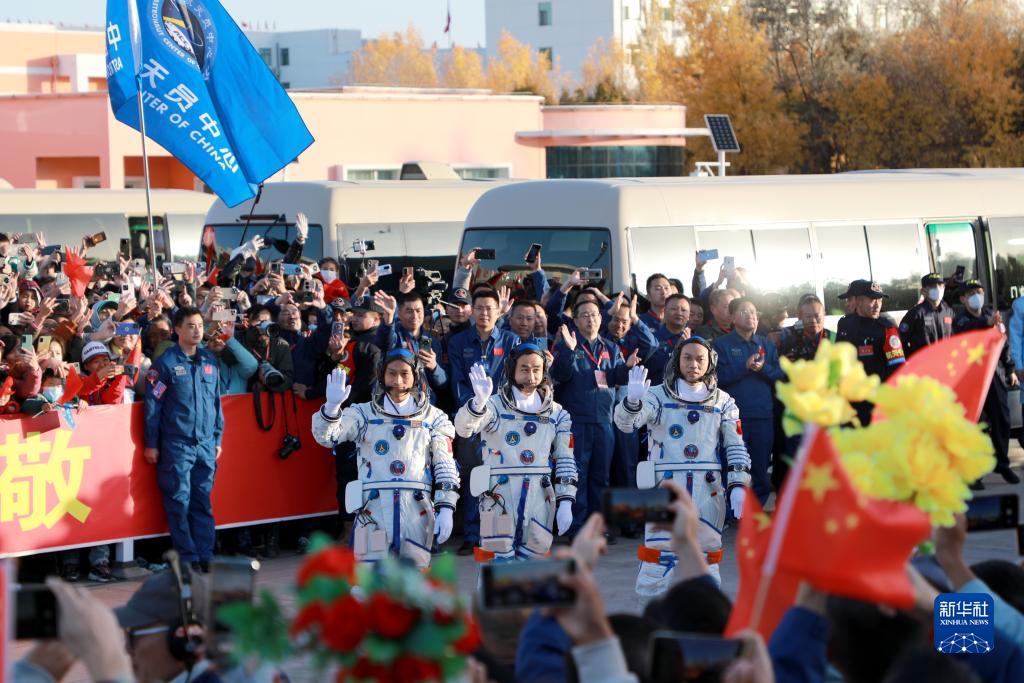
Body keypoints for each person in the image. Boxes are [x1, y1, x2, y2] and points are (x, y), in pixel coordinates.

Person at [614, 337, 750, 594]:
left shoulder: (723, 401)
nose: (693, 364)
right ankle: (652, 613)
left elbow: (736, 445)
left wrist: (738, 484)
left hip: (707, 489)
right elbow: (627, 425)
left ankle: (706, 614)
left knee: (706, 557)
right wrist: (632, 402)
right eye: (687, 358)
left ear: (710, 363)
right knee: (657, 559)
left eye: (700, 359)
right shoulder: (656, 395)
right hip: (665, 487)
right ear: (677, 360)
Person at [311, 349, 460, 567]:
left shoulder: (434, 418)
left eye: (404, 374)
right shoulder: (363, 414)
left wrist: (446, 506)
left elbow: (445, 464)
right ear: (382, 375)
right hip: (373, 511)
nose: (398, 381)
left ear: (416, 376)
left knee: (414, 579)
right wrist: (332, 408)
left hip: (416, 511)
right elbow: (327, 437)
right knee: (368, 578)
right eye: (392, 373)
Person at [454, 344, 578, 560]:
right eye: (524, 368)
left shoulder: (557, 413)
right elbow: (463, 429)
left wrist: (566, 500)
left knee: (535, 566)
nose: (531, 375)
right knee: (496, 563)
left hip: (540, 499)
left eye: (536, 369)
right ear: (512, 369)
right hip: (498, 499)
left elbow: (565, 458)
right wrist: (478, 403)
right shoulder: (493, 406)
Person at [143, 307, 224, 572]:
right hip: (177, 445)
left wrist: (218, 437)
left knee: (203, 502)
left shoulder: (210, 361)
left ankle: (205, 556)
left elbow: (216, 403)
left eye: (200, 325)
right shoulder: (165, 364)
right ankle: (188, 558)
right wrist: (151, 443)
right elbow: (153, 406)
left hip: (205, 445)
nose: (197, 330)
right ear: (177, 329)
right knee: (179, 503)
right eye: (191, 325)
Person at [552, 299, 636, 536]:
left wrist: (628, 368)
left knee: (601, 476)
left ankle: (598, 527)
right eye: (585, 315)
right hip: (576, 421)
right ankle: (576, 528)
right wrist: (568, 352)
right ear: (576, 320)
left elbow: (616, 378)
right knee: (576, 475)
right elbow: (560, 375)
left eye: (595, 315)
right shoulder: (567, 344)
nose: (591, 319)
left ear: (601, 319)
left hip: (604, 420)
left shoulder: (611, 348)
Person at [447, 287, 520, 553]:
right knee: (473, 477)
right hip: (472, 418)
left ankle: (499, 531)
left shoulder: (511, 340)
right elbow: (457, 381)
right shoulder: (458, 342)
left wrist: (497, 409)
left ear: (499, 311)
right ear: (472, 311)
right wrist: (476, 407)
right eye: (479, 308)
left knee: (502, 478)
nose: (484, 313)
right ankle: (471, 534)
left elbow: (515, 380)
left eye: (490, 308)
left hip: (503, 421)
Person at [713, 298, 784, 504]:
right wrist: (744, 367)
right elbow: (716, 378)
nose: (751, 316)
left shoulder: (766, 345)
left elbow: (780, 375)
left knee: (760, 468)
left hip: (763, 415)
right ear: (732, 317)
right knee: (734, 467)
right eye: (744, 312)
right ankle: (733, 512)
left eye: (753, 312)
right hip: (733, 418)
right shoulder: (721, 345)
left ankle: (757, 511)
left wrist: (763, 369)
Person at [955, 280, 1019, 485]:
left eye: (980, 292)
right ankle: (974, 473)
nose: (977, 296)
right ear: (963, 299)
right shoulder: (961, 321)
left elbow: (1003, 344)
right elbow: (966, 333)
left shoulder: (991, 315)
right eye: (971, 293)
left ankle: (1002, 464)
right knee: (975, 426)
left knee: (1003, 420)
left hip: (994, 376)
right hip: (971, 379)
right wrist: (987, 322)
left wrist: (1010, 369)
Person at [835, 279, 905, 425]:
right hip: (849, 402)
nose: (877, 305)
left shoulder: (887, 328)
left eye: (880, 300)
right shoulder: (844, 324)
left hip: (876, 403)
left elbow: (897, 368)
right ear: (859, 301)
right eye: (872, 300)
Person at [899, 272, 954, 357]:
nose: (938, 289)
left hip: (946, 361)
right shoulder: (915, 313)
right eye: (933, 286)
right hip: (924, 363)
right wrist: (912, 358)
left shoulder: (949, 312)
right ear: (923, 291)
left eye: (940, 286)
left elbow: (955, 338)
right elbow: (901, 341)